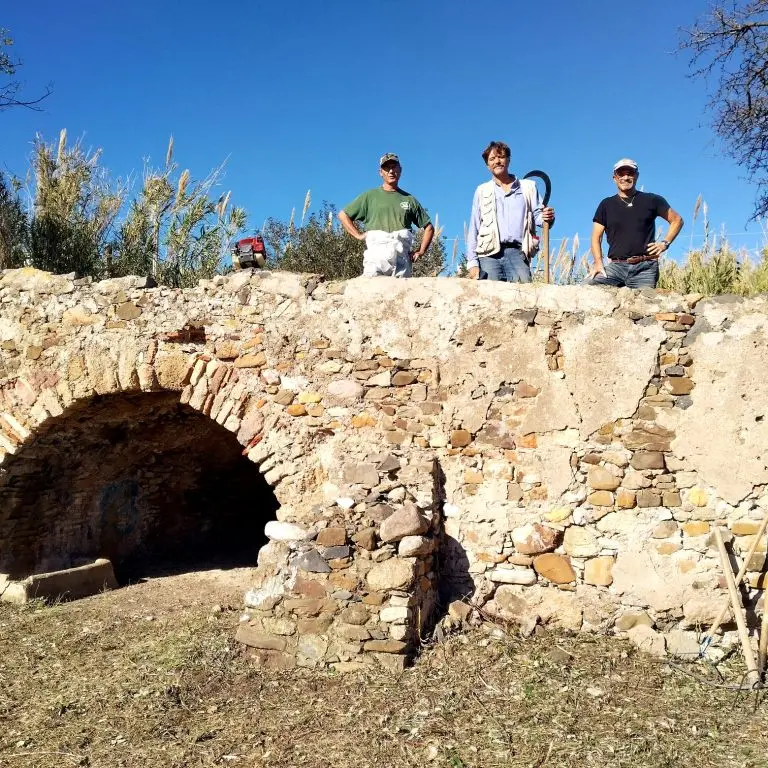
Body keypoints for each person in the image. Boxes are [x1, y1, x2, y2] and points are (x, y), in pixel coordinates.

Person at [587, 158, 683, 289]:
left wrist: (665, 243)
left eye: (630, 173)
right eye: (621, 174)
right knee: (585, 287)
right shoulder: (606, 205)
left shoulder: (652, 200)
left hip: (645, 268)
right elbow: (596, 237)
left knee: (644, 305)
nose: (625, 177)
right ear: (614, 178)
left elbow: (677, 220)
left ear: (636, 176)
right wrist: (598, 263)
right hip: (615, 267)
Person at [466, 141, 555, 282]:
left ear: (508, 159)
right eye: (492, 159)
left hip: (518, 253)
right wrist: (472, 263)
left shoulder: (528, 187)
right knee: (490, 298)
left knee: (524, 295)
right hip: (489, 255)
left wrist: (547, 217)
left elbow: (538, 218)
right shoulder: (481, 191)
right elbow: (474, 227)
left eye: (501, 157)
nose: (497, 161)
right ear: (487, 165)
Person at [338, 153, 435, 277]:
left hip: (401, 258)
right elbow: (343, 215)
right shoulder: (369, 196)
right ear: (380, 172)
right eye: (386, 168)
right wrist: (359, 235)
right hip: (376, 256)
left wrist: (420, 251)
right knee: (372, 290)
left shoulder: (409, 199)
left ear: (400, 170)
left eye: (394, 167)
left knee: (401, 293)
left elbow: (429, 227)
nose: (391, 171)